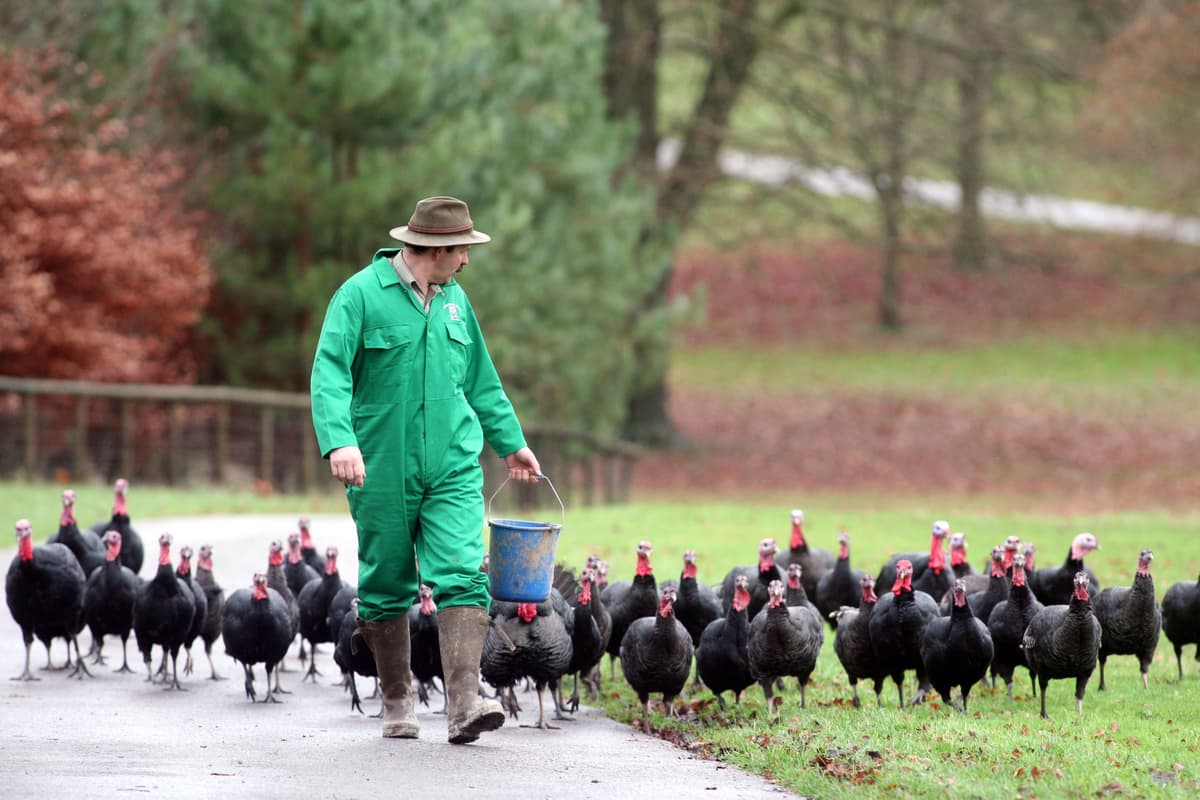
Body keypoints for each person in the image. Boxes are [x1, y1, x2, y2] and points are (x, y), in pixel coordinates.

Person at [310, 195, 542, 744]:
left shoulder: (456, 303)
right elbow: (330, 372)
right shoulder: (359, 297)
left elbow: (482, 381)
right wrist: (339, 441)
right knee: (387, 580)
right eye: (463, 249)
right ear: (437, 249)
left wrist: (512, 444)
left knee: (463, 569)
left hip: (453, 465)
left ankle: (464, 703)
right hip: (380, 467)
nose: (467, 260)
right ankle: (396, 699)